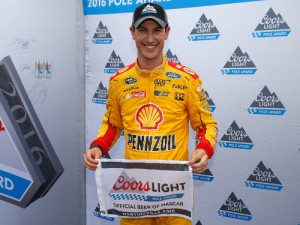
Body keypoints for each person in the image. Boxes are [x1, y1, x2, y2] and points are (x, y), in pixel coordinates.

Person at [83, 3, 218, 225]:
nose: (150, 38)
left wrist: (204, 149)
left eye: (156, 30)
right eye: (143, 30)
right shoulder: (118, 81)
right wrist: (98, 146)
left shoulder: (187, 80)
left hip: (174, 195)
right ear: (132, 32)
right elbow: (113, 125)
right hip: (134, 193)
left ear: (167, 32)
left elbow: (207, 126)